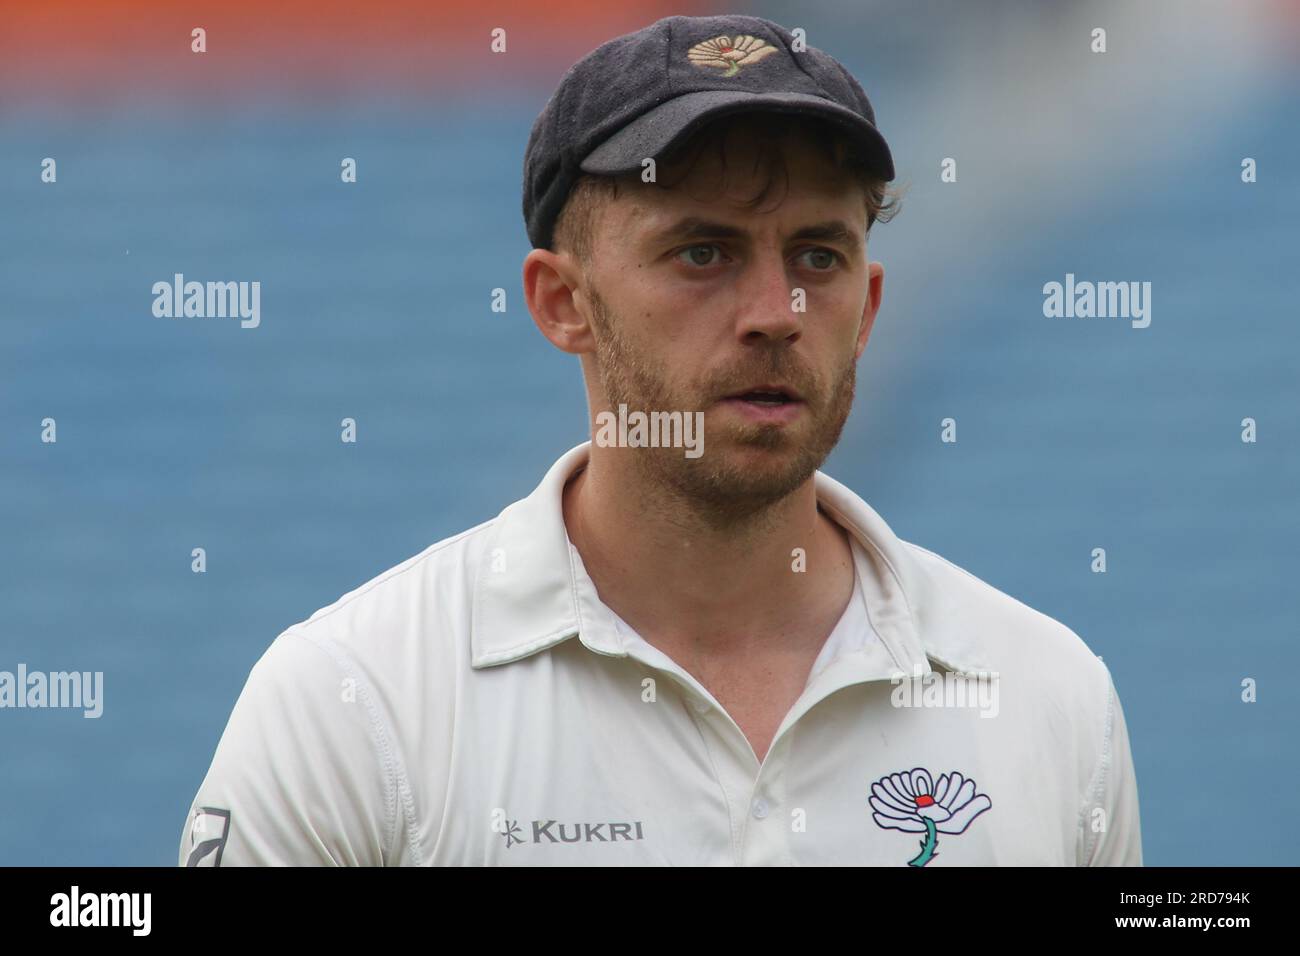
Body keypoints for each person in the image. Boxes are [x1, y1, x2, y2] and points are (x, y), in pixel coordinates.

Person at [179, 13, 1141, 866]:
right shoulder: (357, 704)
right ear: (564, 303)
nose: (776, 312)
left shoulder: (1048, 700)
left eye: (818, 255)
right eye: (702, 253)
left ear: (871, 307)